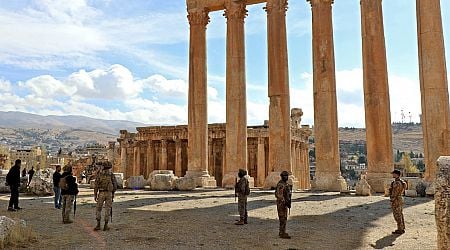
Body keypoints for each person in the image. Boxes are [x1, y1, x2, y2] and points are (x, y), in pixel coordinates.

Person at [94, 161, 117, 231]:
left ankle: (98, 224)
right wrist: (113, 193)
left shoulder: (99, 174)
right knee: (108, 209)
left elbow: (96, 185)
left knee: (98, 209)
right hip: (109, 193)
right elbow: (115, 186)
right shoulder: (111, 175)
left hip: (101, 193)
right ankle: (105, 225)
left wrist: (95, 194)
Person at [389, 169, 407, 235]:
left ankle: (400, 229)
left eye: (393, 174)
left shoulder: (396, 183)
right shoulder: (402, 182)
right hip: (400, 198)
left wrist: (392, 199)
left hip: (396, 199)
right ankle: (402, 228)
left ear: (397, 174)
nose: (392, 175)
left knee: (397, 214)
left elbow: (395, 192)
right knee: (400, 213)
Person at [275, 171, 292, 239]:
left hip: (285, 203)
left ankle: (282, 231)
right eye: (284, 176)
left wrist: (288, 201)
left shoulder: (286, 184)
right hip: (281, 204)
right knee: (282, 218)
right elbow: (279, 195)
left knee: (284, 218)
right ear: (282, 176)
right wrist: (285, 201)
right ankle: (282, 232)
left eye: (287, 176)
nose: (286, 177)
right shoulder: (280, 184)